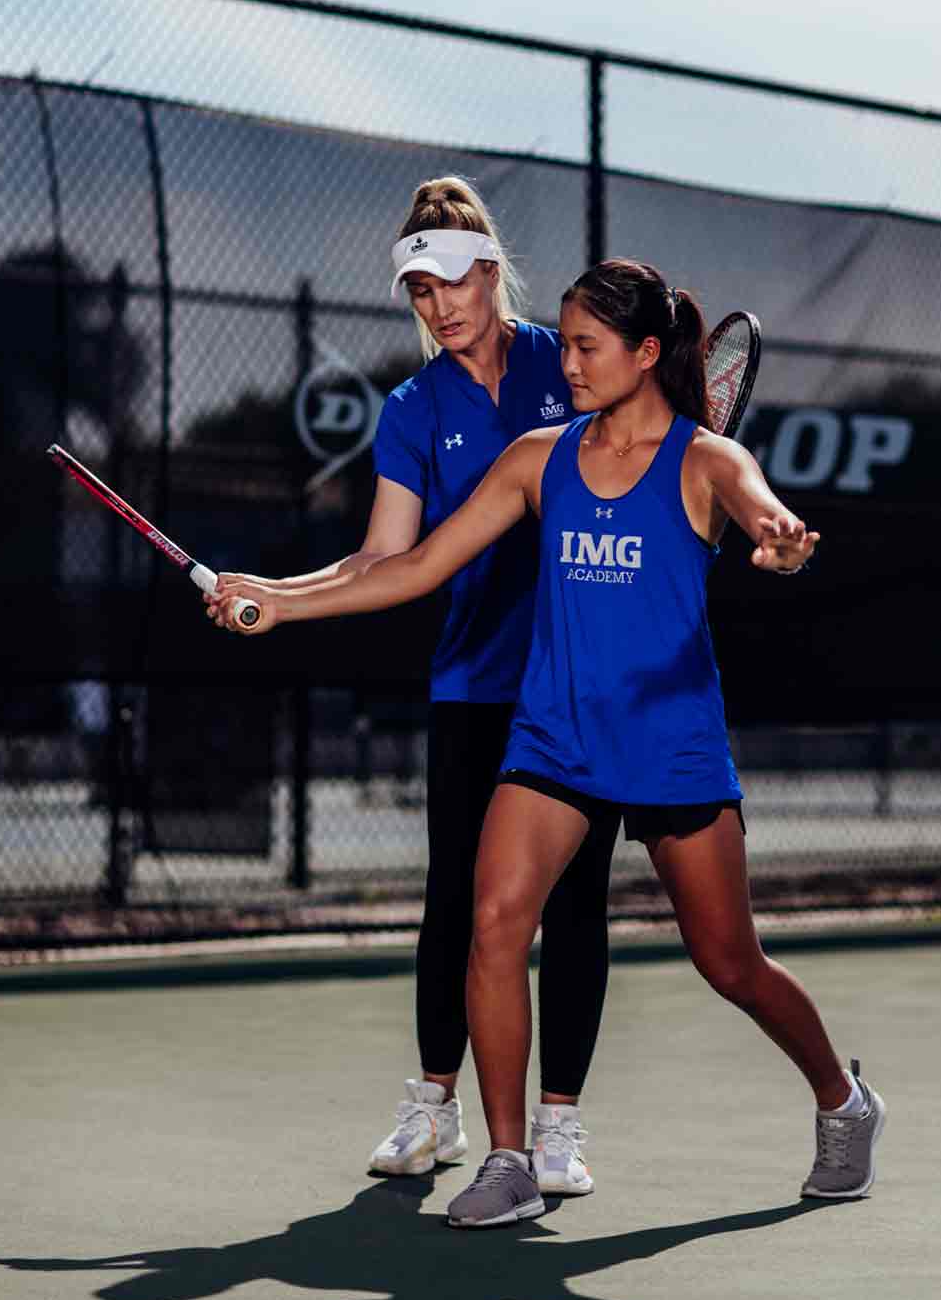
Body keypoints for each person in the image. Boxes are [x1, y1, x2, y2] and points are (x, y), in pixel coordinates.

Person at [208, 257, 886, 1229]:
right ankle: (509, 1160)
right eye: (562, 344)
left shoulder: (706, 460)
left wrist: (778, 542)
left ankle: (841, 1098)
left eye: (585, 347)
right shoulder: (536, 458)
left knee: (730, 962)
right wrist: (280, 602)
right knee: (493, 923)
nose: (565, 364)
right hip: (553, 740)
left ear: (645, 354)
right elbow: (415, 566)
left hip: (669, 747)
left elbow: (761, 510)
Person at [214, 177, 617, 1197]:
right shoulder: (411, 409)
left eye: (450, 281)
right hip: (472, 685)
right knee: (457, 902)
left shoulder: (565, 363)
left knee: (575, 902)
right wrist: (274, 593)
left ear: (489, 271)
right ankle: (435, 1106)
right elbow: (382, 557)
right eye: (419, 291)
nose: (438, 306)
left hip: (580, 683)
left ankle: (558, 1126)